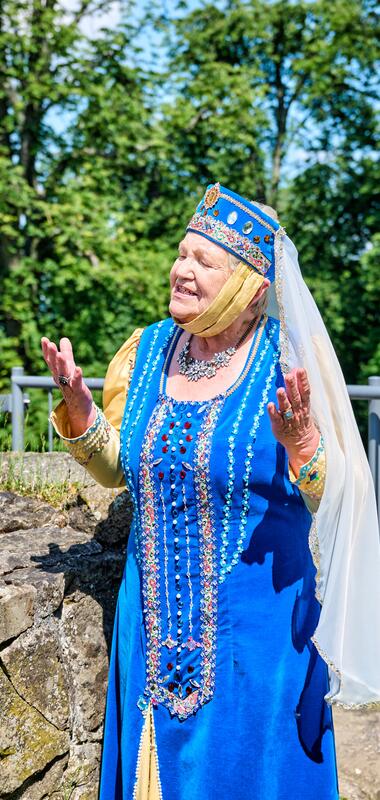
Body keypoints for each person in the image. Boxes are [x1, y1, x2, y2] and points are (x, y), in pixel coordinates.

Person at [41, 182, 380, 800]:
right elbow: (124, 469)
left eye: (204, 262)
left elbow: (342, 499)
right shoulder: (144, 353)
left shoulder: (290, 364)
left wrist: (303, 444)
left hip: (263, 642)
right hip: (148, 631)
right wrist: (84, 412)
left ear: (250, 290)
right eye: (181, 254)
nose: (182, 270)